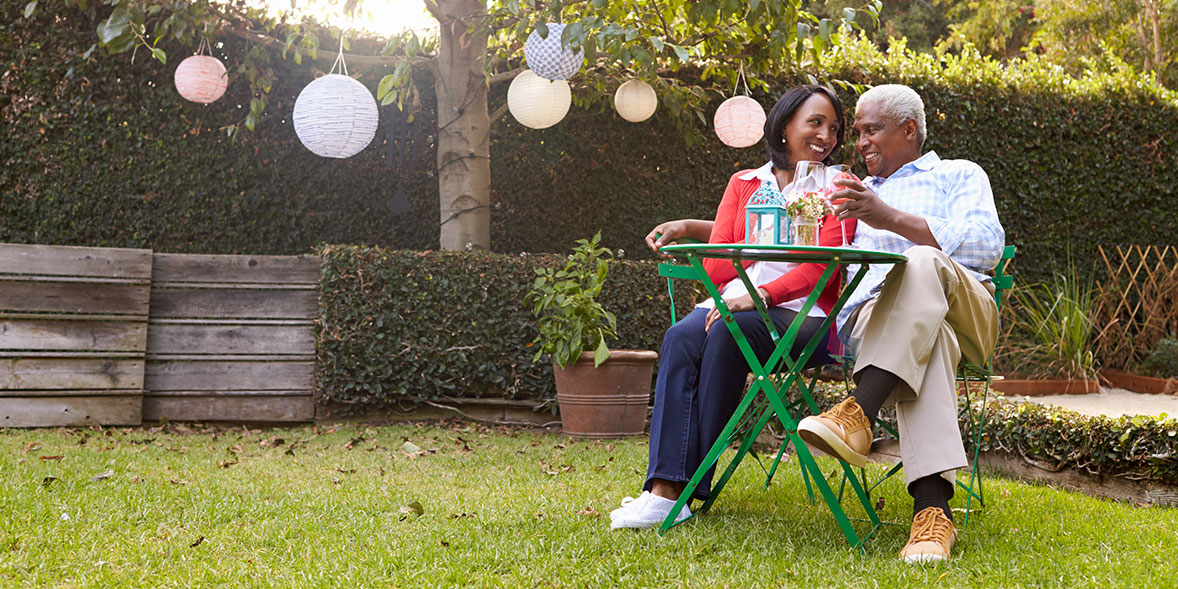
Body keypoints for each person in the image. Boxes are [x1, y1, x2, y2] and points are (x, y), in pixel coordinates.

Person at [610, 85, 858, 529]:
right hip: (731, 302)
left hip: (810, 319)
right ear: (784, 127)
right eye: (815, 123)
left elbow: (822, 268)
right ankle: (666, 489)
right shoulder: (744, 183)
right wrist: (761, 235)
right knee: (681, 336)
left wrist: (762, 293)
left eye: (834, 128)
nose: (827, 136)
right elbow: (716, 264)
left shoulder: (840, 187)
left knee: (731, 330)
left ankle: (682, 489)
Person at [796, 84, 1005, 563]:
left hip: (966, 308)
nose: (862, 142)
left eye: (873, 130)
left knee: (924, 261)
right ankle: (933, 516)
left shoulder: (957, 174)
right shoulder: (849, 193)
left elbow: (985, 247)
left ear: (908, 129)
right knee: (931, 342)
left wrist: (889, 218)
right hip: (877, 323)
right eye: (860, 134)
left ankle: (858, 411)